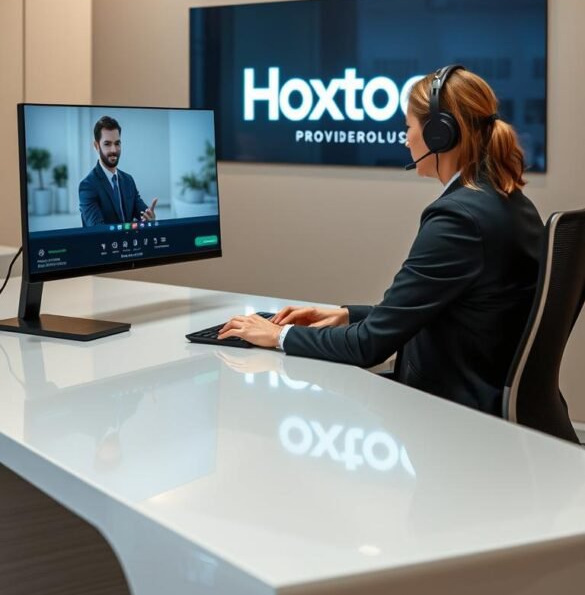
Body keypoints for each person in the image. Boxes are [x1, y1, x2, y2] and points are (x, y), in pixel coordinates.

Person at [219, 66, 546, 418]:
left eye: (408, 128)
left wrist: (277, 335)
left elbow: (368, 346)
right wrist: (345, 315)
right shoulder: (508, 202)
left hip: (454, 414)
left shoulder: (458, 220)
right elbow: (438, 309)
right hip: (484, 398)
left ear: (440, 134)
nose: (405, 140)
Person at [79, 115, 158, 227]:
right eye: (107, 144)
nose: (114, 150)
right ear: (97, 146)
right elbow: (97, 230)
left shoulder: (128, 180)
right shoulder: (87, 186)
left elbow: (142, 214)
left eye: (117, 143)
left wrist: (149, 217)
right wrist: (132, 227)